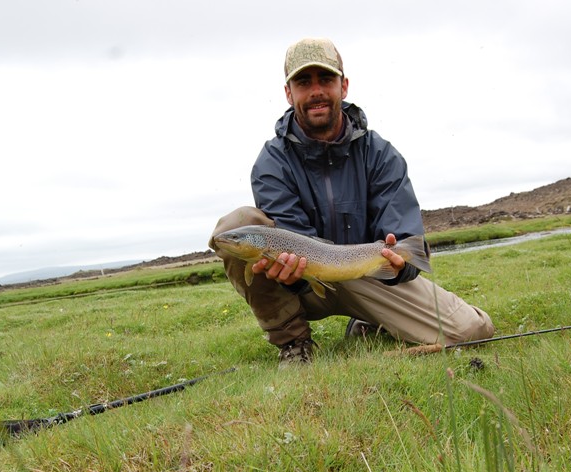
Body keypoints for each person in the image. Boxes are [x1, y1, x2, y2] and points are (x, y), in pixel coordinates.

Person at [209, 38, 494, 365]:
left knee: (473, 330)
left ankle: (370, 322)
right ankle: (294, 344)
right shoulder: (271, 162)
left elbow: (402, 236)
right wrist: (292, 271)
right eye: (304, 82)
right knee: (234, 226)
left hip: (365, 274)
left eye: (325, 80)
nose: (316, 90)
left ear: (343, 86)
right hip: (303, 285)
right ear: (289, 93)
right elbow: (292, 236)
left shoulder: (381, 154)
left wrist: (401, 261)